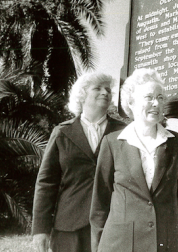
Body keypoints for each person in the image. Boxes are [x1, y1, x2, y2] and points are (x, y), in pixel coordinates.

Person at [90, 68, 178, 252]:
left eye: (160, 98)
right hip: (120, 245)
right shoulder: (112, 143)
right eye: (149, 97)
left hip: (166, 243)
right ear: (131, 102)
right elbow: (99, 205)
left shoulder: (176, 143)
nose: (156, 104)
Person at [32, 73, 126, 252]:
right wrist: (40, 229)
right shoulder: (61, 132)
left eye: (108, 89)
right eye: (97, 88)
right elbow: (46, 183)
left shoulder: (123, 132)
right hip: (69, 227)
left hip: (112, 223)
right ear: (82, 95)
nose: (105, 92)